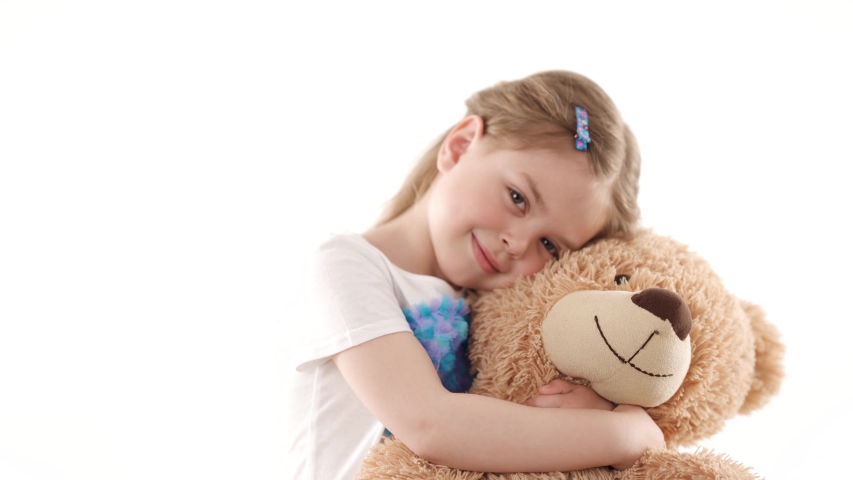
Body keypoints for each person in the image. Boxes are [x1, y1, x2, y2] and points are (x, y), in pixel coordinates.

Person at [284, 70, 662, 480]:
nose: (517, 244)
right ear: (461, 146)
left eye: (550, 246)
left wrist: (577, 404)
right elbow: (429, 424)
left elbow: (507, 423)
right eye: (518, 198)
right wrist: (621, 434)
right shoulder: (346, 265)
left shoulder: (492, 315)